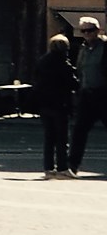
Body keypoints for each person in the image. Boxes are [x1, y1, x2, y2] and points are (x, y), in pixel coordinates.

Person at [36, 31, 79, 179]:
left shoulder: (42, 62)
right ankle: (62, 167)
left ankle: (48, 168)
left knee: (49, 138)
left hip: (45, 104)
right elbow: (72, 83)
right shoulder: (63, 63)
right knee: (62, 138)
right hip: (60, 104)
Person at [72, 17, 107, 173]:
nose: (87, 34)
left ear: (98, 31)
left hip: (103, 94)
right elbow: (80, 70)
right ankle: (72, 166)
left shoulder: (105, 47)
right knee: (79, 131)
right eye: (83, 31)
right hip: (86, 95)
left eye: (90, 30)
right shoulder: (83, 49)